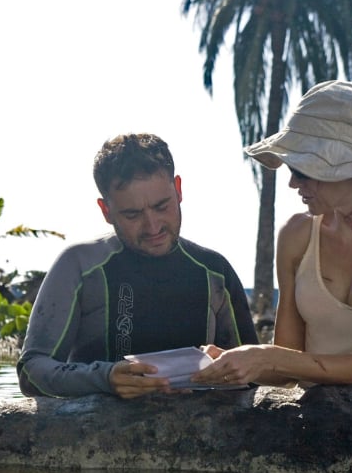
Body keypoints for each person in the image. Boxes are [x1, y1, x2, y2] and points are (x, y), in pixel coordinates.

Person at [192, 80, 352, 388]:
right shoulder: (297, 234)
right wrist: (230, 361)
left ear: (350, 167)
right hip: (316, 427)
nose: (292, 183)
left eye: (302, 170)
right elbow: (287, 366)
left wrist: (263, 356)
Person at [17, 132, 260, 399]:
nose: (152, 226)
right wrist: (105, 378)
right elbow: (31, 372)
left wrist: (224, 370)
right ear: (106, 210)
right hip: (97, 435)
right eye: (132, 214)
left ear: (178, 190)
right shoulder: (79, 266)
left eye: (161, 206)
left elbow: (254, 376)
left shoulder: (215, 271)